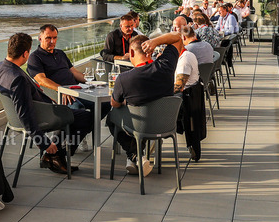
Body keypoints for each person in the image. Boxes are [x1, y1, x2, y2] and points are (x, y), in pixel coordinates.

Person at [0, 33, 91, 175]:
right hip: (41, 115)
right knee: (85, 117)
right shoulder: (18, 78)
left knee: (71, 114)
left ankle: (55, 155)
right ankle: (54, 154)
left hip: (14, 117)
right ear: (26, 53)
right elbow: (24, 113)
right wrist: (44, 142)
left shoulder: (0, 67)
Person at [27, 24, 108, 151]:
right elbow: (41, 80)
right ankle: (67, 149)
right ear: (40, 38)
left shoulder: (60, 53)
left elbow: (74, 72)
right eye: (48, 38)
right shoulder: (35, 57)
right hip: (57, 95)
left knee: (105, 104)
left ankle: (80, 133)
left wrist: (92, 82)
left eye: (55, 38)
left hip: (76, 90)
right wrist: (62, 90)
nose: (52, 41)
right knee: (79, 110)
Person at [108, 33, 179, 175]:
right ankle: (137, 154)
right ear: (151, 51)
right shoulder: (166, 66)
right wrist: (155, 42)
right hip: (165, 125)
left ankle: (134, 154)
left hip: (139, 126)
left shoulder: (124, 78)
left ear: (132, 52)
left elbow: (114, 104)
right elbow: (178, 37)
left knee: (111, 118)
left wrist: (124, 101)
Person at [143, 29, 206, 160]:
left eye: (167, 46)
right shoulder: (179, 57)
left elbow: (178, 87)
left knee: (147, 113)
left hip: (183, 102)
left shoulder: (185, 59)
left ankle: (144, 151)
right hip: (184, 98)